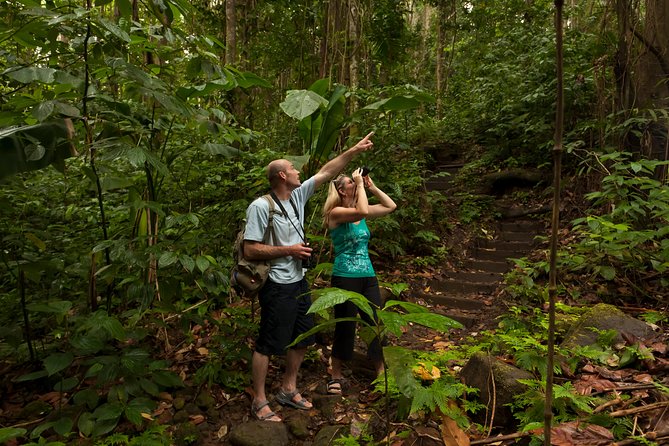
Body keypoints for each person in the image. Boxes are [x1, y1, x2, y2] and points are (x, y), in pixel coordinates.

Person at [243, 132, 375, 422]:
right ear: (281, 175)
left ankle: (288, 389)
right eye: (293, 168)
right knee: (268, 342)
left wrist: (353, 150)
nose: (298, 170)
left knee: (303, 336)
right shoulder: (261, 206)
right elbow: (250, 249)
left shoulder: (297, 196)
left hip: (299, 282)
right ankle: (260, 400)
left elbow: (328, 170)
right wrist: (288, 250)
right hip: (276, 283)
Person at [322, 167, 396, 395]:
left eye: (355, 183)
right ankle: (335, 375)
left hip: (368, 276)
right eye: (351, 184)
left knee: (375, 322)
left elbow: (390, 206)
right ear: (342, 191)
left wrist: (371, 187)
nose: (355, 185)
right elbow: (363, 210)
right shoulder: (336, 213)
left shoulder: (358, 211)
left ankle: (381, 373)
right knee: (346, 324)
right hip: (345, 276)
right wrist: (361, 187)